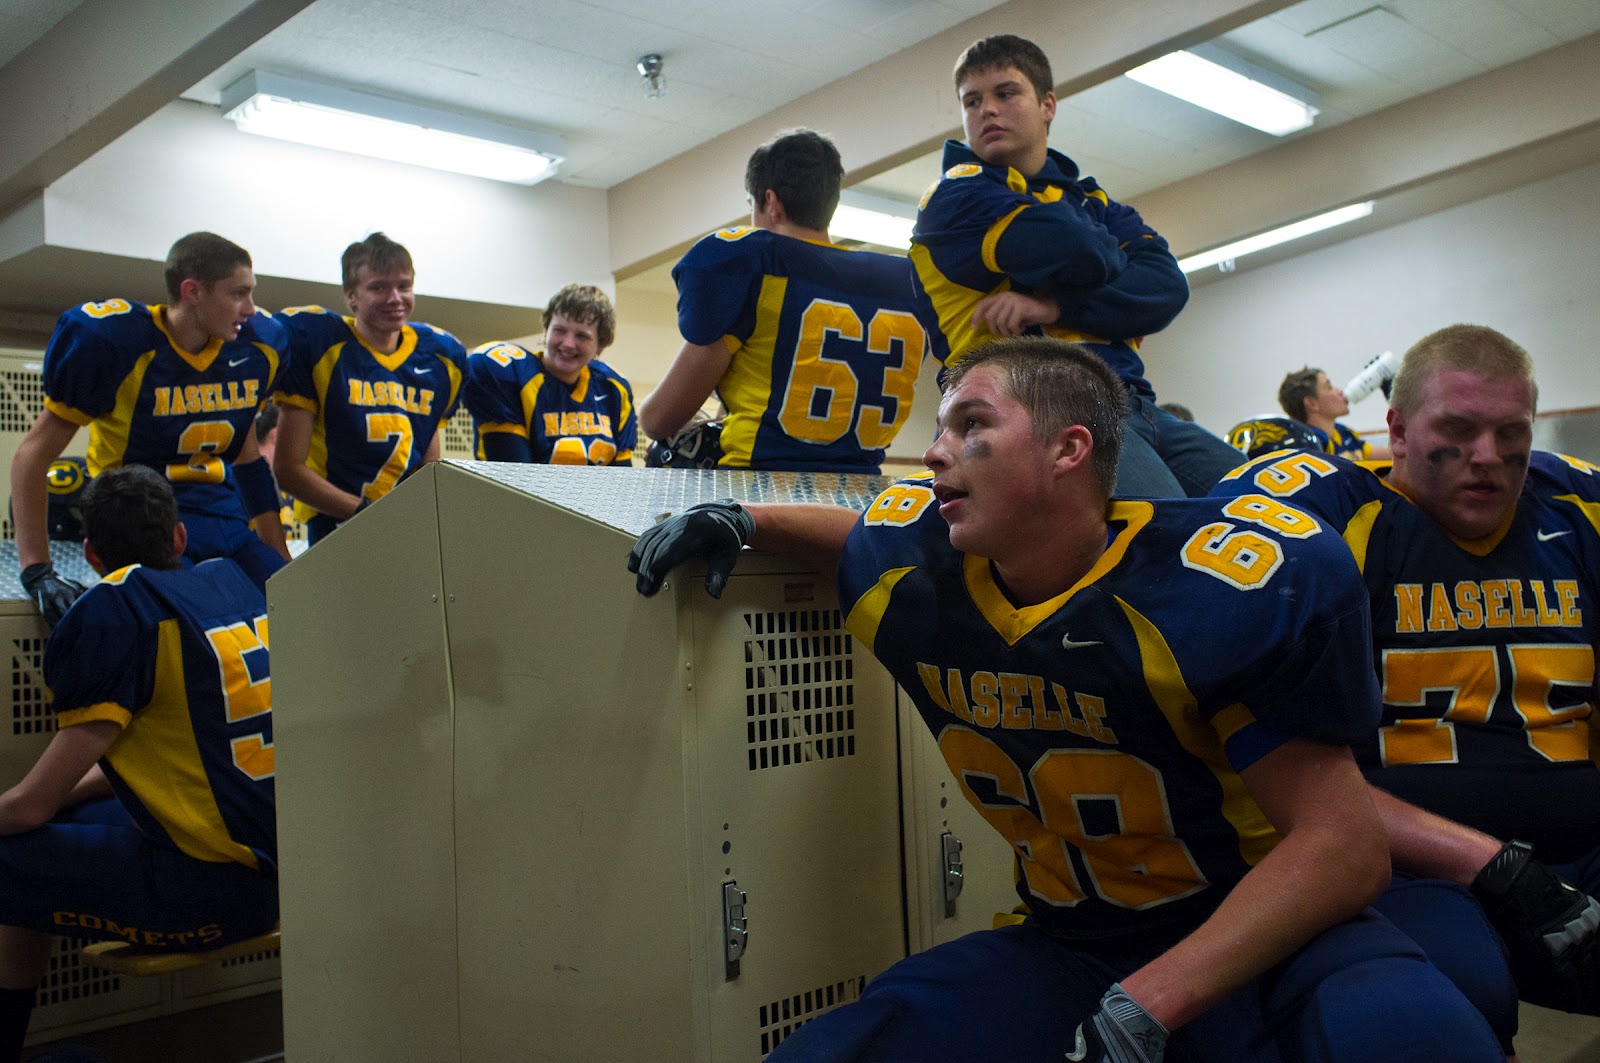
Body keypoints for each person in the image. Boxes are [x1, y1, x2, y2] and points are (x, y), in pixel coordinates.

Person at [628, 336, 1509, 1062]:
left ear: (1068, 449)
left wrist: (1150, 1000)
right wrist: (748, 518)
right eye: (941, 426)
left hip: (1275, 938)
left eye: (972, 424)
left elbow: (1345, 847)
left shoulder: (1214, 590)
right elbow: (867, 530)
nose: (934, 450)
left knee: (1417, 1039)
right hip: (1076, 942)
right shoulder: (915, 566)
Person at [1215, 324, 1600, 1018]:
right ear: (1396, 431)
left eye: (1511, 432)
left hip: (1583, 841)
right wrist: (1491, 866)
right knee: (1439, 1002)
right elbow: (1285, 771)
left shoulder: (1577, 512)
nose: (1488, 456)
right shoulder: (1331, 525)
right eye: (1458, 428)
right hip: (1406, 866)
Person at [0, 466, 277, 1061]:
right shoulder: (227, 581)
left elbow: (27, 809)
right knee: (57, 832)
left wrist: (36, 803)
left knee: (13, 851)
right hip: (280, 875)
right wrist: (56, 801)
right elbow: (177, 757)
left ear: (91, 554)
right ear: (178, 537)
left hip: (209, 895)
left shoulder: (118, 610)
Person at [911, 35, 1241, 499]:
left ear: (1047, 105)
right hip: (1035, 409)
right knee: (1163, 522)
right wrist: (1111, 260)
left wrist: (1054, 307)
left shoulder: (1091, 200)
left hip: (1134, 401)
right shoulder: (954, 197)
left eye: (1005, 93)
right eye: (972, 101)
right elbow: (1076, 246)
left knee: (1278, 506)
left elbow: (1166, 288)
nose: (987, 110)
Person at [9, 232, 290, 625]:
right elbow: (32, 455)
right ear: (193, 291)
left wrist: (279, 556)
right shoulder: (119, 344)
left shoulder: (254, 349)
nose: (250, 308)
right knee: (194, 631)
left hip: (221, 515)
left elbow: (246, 456)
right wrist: (37, 569)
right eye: (238, 293)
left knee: (292, 609)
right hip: (141, 522)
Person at [639, 129, 928, 474]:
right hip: (860, 492)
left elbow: (659, 419)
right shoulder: (906, 283)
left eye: (752, 206)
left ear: (771, 202)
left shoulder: (757, 269)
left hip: (758, 490)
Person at [273, 232, 466, 543]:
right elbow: (288, 469)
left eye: (404, 286)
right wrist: (364, 513)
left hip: (405, 524)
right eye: (378, 287)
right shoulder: (322, 344)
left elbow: (428, 466)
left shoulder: (440, 357)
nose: (395, 298)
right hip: (333, 522)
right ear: (351, 295)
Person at [463, 284, 637, 465]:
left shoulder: (613, 389)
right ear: (546, 331)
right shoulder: (512, 374)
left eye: (582, 336)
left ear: (600, 346)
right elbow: (512, 473)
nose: (568, 344)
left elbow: (621, 476)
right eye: (559, 330)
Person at [1277, 366, 1392, 460]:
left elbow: (1393, 456)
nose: (1340, 391)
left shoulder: (1343, 434)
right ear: (1312, 403)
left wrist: (1395, 395)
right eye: (1329, 387)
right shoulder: (1310, 447)